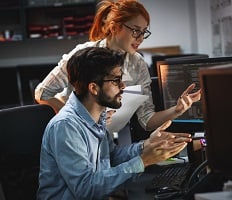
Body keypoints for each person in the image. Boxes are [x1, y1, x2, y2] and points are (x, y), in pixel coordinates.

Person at [37, 47, 192, 200]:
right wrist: (144, 161)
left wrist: (146, 145)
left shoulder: (96, 116)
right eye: (116, 80)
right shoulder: (66, 126)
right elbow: (86, 189)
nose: (123, 86)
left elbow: (111, 157)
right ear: (94, 88)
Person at [34, 0, 201, 132]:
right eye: (136, 30)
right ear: (114, 28)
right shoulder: (83, 54)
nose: (141, 38)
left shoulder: (138, 63)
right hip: (74, 135)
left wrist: (178, 109)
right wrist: (79, 119)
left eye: (144, 32)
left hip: (107, 140)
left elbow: (147, 120)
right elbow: (42, 92)